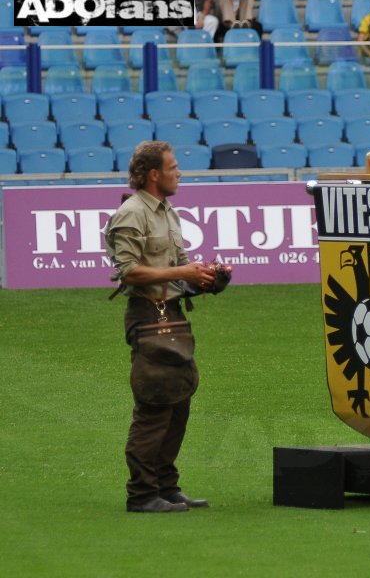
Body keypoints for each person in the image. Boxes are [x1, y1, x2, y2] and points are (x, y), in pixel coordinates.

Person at [105, 141, 218, 513]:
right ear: (154, 174)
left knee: (178, 404)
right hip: (148, 315)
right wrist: (181, 272)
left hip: (173, 314)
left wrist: (207, 277)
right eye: (173, 167)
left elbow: (182, 266)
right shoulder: (131, 213)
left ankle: (166, 488)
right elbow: (129, 272)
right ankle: (141, 495)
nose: (179, 172)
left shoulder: (168, 211)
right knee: (154, 407)